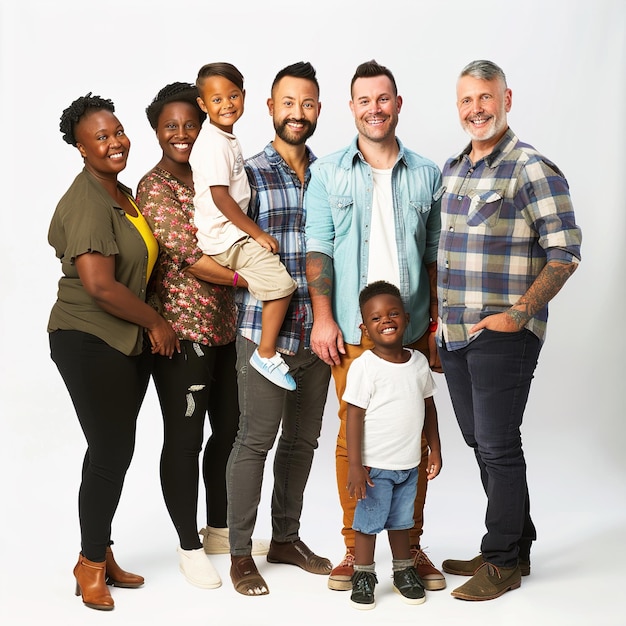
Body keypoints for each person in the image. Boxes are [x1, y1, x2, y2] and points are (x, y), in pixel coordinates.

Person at [437, 59, 582, 601]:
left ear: (506, 98)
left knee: (497, 443)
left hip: (503, 333)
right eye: (466, 100)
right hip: (454, 335)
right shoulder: (455, 169)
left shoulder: (530, 168)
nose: (477, 109)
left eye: (486, 97)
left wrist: (518, 314)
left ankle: (502, 563)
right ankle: (513, 540)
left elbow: (565, 251)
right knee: (480, 441)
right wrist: (438, 326)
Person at [305, 59, 446, 592]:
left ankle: (409, 549)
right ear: (352, 108)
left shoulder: (428, 173)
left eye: (383, 98)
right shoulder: (329, 172)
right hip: (349, 326)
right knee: (352, 440)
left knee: (410, 438)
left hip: (408, 329)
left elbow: (433, 256)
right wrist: (322, 318)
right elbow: (318, 246)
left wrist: (430, 331)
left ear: (398, 104)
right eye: (364, 100)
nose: (375, 109)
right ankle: (352, 548)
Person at [48, 93, 179, 611]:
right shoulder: (88, 201)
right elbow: (100, 286)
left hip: (120, 338)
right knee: (109, 451)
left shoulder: (121, 193)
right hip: (87, 337)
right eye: (100, 137)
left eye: (117, 131)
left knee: (115, 450)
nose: (114, 142)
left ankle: (100, 548)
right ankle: (89, 565)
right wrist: (157, 322)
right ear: (81, 149)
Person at [137, 82, 269, 591]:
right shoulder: (156, 187)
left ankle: (217, 530)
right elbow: (193, 257)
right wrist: (251, 277)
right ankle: (188, 546)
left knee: (231, 431)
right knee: (185, 440)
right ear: (156, 131)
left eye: (191, 124)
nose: (182, 134)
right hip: (181, 333)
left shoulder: (212, 173)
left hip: (225, 327)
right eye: (170, 126)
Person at [227, 61, 332, 597]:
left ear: (318, 109)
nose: (298, 113)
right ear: (270, 108)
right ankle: (242, 556)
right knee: (255, 440)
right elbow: (222, 243)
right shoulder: (247, 172)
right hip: (261, 330)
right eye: (288, 103)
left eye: (307, 103)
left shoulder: (331, 171)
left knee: (303, 442)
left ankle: (286, 538)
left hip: (318, 334)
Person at [190, 62, 298, 391]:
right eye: (217, 99)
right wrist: (257, 232)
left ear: (244, 96)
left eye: (233, 96)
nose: (227, 105)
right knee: (282, 285)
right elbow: (221, 198)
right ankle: (265, 354)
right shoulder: (214, 144)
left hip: (228, 234)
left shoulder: (223, 137)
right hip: (229, 238)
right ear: (202, 104)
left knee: (273, 282)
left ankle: (264, 345)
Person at [345, 281, 442, 610]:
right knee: (369, 523)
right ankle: (363, 575)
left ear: (407, 317)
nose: (385, 320)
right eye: (375, 318)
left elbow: (429, 408)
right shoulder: (365, 367)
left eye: (392, 313)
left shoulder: (417, 363)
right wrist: (356, 466)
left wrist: (436, 450)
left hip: (409, 464)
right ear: (364, 327)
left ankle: (403, 572)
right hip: (374, 468)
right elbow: (354, 417)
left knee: (402, 522)